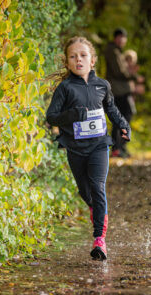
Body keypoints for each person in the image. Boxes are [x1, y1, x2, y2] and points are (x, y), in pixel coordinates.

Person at [46, 36, 131, 260]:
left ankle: (99, 241)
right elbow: (51, 117)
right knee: (86, 191)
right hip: (75, 148)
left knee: (97, 186)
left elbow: (111, 110)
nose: (78, 60)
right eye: (73, 56)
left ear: (92, 60)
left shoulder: (102, 85)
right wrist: (72, 116)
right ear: (67, 63)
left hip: (99, 145)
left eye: (83, 55)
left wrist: (123, 125)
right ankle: (98, 212)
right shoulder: (65, 88)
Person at [104, 28, 138, 158]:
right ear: (115, 38)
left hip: (120, 91)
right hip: (118, 92)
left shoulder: (117, 51)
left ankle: (119, 148)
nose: (122, 40)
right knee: (123, 118)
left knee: (121, 119)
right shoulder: (112, 51)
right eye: (120, 37)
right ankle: (118, 148)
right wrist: (134, 77)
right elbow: (119, 71)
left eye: (124, 37)